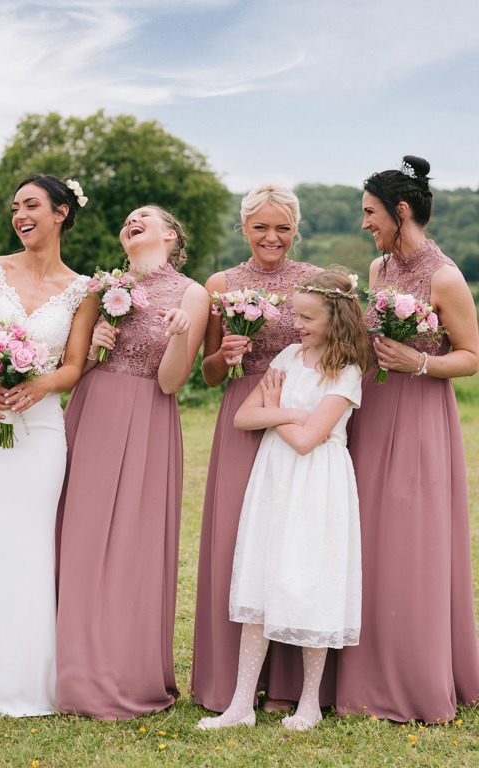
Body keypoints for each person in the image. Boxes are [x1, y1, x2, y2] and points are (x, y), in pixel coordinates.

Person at [335, 156, 479, 723]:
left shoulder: (445, 277)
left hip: (420, 414)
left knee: (411, 540)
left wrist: (420, 361)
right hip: (371, 413)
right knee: (366, 537)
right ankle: (363, 672)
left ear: (399, 211)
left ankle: (415, 676)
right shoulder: (377, 271)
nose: (365, 223)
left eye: (370, 213)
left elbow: (471, 356)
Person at [0, 174, 97, 717]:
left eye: (32, 205)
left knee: (31, 544)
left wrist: (36, 387)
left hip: (40, 431)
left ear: (61, 213)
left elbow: (75, 366)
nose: (20, 215)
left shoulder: (84, 288)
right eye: (16, 208)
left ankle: (30, 682)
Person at [198, 269, 369, 731]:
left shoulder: (347, 370)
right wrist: (289, 413)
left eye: (308, 317)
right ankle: (240, 705)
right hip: (273, 478)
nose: (297, 324)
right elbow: (241, 416)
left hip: (318, 483)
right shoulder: (290, 355)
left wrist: (275, 414)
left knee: (312, 580)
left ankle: (310, 702)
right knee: (262, 574)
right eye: (296, 313)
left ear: (336, 320)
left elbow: (310, 440)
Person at [56, 205, 209, 719]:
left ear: (170, 234)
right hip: (93, 409)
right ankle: (67, 666)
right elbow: (70, 366)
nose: (131, 221)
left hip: (147, 416)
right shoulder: (103, 287)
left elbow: (170, 382)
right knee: (79, 534)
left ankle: (121, 667)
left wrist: (183, 333)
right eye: (126, 219)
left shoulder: (192, 293)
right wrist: (95, 347)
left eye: (143, 217)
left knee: (131, 543)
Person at [192, 184, 320, 714]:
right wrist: (224, 354)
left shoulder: (315, 282)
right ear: (244, 229)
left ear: (295, 230)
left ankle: (288, 688)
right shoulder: (221, 284)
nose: (273, 237)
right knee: (237, 541)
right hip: (244, 413)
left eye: (283, 227)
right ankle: (231, 685)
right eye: (262, 227)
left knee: (293, 543)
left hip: (299, 414)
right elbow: (208, 374)